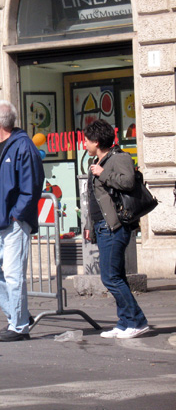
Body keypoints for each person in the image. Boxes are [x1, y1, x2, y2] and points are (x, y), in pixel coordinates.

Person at [0, 100, 44, 342]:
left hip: (14, 220)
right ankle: (20, 315)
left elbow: (32, 186)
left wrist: (17, 214)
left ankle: (18, 327)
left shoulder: (23, 146)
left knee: (13, 274)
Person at [83, 119, 149, 339]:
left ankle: (137, 320)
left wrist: (103, 173)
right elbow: (96, 200)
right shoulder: (98, 160)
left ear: (97, 141)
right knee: (116, 275)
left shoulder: (119, 158)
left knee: (110, 277)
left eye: (87, 140)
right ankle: (124, 322)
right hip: (102, 227)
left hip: (115, 227)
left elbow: (128, 182)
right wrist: (89, 226)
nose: (84, 144)